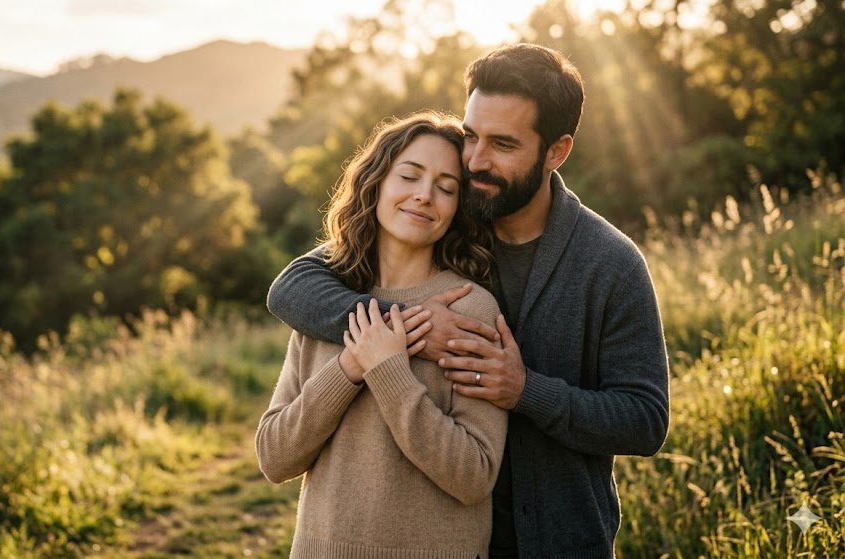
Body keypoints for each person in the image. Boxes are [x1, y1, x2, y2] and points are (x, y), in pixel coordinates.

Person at [266, 43, 670, 558]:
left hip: (560, 540)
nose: (476, 159)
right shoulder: (446, 214)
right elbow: (295, 284)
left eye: (502, 144)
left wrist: (525, 390)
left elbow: (644, 420)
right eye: (472, 135)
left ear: (556, 151)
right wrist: (409, 327)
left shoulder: (608, 263)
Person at [255, 111, 509, 558]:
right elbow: (275, 458)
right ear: (377, 183)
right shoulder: (329, 303)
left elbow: (474, 476)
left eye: (446, 188)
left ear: (457, 208)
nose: (424, 196)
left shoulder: (468, 311)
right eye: (409, 176)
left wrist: (389, 370)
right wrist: (351, 366)